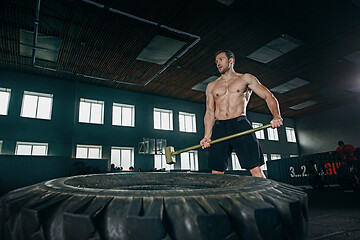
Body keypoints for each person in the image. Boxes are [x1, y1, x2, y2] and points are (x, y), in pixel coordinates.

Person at [200, 50, 283, 177]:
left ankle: (265, 197)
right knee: (216, 171)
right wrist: (207, 135)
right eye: (216, 61)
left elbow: (268, 96)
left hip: (240, 124)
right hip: (219, 127)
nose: (218, 63)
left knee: (256, 170)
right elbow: (210, 112)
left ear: (231, 60)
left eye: (221, 59)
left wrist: (276, 116)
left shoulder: (245, 78)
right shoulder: (211, 86)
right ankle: (218, 197)